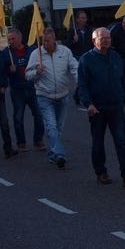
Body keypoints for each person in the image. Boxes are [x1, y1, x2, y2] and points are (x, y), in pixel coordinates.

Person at [77, 28, 125, 186]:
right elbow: (82, 86)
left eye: (108, 37)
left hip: (116, 106)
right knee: (98, 142)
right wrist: (88, 104)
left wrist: (122, 96)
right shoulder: (86, 60)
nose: (106, 40)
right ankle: (101, 172)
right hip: (97, 108)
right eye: (102, 38)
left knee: (121, 140)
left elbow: (120, 79)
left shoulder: (115, 56)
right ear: (94, 41)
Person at [27, 27, 78, 168]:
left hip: (62, 96)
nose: (45, 44)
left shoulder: (65, 52)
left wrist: (81, 81)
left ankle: (52, 153)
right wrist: (36, 72)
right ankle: (60, 154)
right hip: (45, 96)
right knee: (51, 126)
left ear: (54, 40)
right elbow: (27, 75)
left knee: (58, 127)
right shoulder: (36, 54)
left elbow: (74, 68)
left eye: (48, 41)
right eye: (43, 41)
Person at [6, 28, 45, 152]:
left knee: (38, 115)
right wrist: (9, 70)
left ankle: (38, 140)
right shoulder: (6, 53)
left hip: (33, 88)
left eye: (13, 39)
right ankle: (21, 142)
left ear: (20, 38)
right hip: (17, 90)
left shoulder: (31, 51)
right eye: (9, 39)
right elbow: (1, 71)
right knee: (18, 117)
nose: (10, 41)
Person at [67, 10, 93, 105]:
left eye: (85, 18)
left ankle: (77, 95)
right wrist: (74, 41)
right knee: (82, 77)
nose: (84, 20)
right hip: (77, 57)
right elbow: (68, 45)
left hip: (87, 56)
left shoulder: (89, 30)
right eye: (82, 18)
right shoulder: (72, 31)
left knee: (86, 77)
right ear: (77, 19)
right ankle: (83, 97)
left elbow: (92, 43)